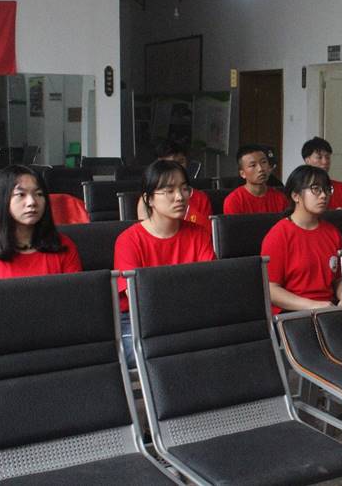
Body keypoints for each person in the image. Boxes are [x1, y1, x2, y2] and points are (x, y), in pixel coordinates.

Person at [115, 160, 215, 367]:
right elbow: (138, 299)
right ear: (148, 199)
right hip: (139, 319)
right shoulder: (128, 240)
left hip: (190, 315)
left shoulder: (199, 234)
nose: (180, 197)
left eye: (184, 189)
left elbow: (209, 283)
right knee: (150, 351)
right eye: (169, 191)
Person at [0, 165, 82, 281]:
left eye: (39, 194)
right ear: (3, 200)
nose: (32, 202)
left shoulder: (64, 246)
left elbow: (75, 294)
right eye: (21, 194)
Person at [261, 165, 342, 314]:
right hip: (292, 313)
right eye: (316, 189)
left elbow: (338, 280)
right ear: (295, 196)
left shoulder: (333, 232)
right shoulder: (278, 235)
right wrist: (313, 305)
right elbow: (271, 290)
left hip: (329, 309)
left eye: (326, 189)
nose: (323, 195)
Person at [135, 140, 212, 232]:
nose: (177, 167)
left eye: (181, 161)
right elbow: (147, 233)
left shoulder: (200, 198)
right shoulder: (149, 199)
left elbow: (206, 231)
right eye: (169, 191)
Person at [223, 144, 287, 214]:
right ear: (242, 174)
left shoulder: (281, 198)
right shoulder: (234, 201)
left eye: (263, 162)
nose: (260, 169)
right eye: (253, 165)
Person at [301, 136, 342, 209]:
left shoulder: (341, 188)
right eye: (319, 157)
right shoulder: (298, 186)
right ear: (307, 160)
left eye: (327, 157)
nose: (325, 162)